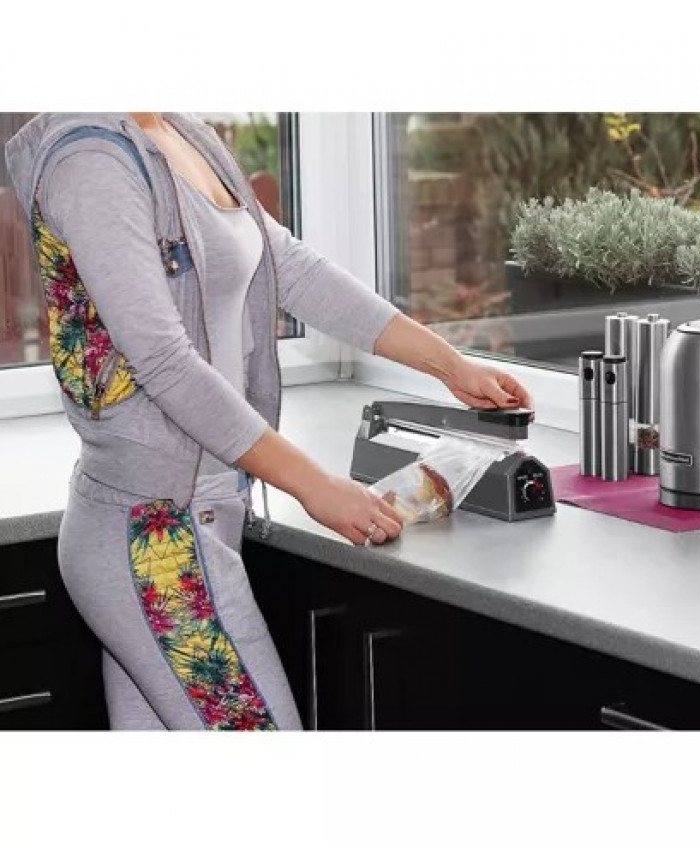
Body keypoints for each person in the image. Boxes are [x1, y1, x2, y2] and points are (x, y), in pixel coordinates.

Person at [4, 112, 533, 731]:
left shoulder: (181, 133)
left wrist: (450, 366)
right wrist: (314, 485)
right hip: (153, 543)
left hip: (201, 517)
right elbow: (164, 361)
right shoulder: (90, 161)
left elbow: (290, 268)